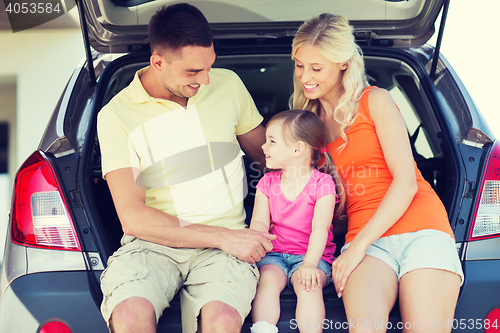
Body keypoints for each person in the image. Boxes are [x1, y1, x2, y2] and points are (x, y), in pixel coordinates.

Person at [96, 3, 275, 333]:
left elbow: (270, 159)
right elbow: (132, 217)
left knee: (222, 321)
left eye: (209, 67)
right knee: (128, 316)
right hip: (151, 246)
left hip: (223, 252)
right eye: (193, 72)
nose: (206, 80)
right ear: (158, 62)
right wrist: (224, 237)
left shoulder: (228, 85)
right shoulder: (115, 116)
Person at [290, 13, 464, 332]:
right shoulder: (307, 126)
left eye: (316, 68)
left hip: (421, 229)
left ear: (343, 63)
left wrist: (355, 248)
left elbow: (406, 183)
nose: (305, 76)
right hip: (365, 240)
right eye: (300, 64)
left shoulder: (375, 100)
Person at [249, 110, 345, 333]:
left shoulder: (323, 184)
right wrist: (254, 249)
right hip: (274, 254)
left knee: (308, 285)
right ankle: (263, 329)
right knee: (267, 281)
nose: (264, 147)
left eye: (271, 141)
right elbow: (259, 224)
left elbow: (320, 229)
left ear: (297, 149)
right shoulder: (267, 182)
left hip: (312, 256)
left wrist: (310, 264)